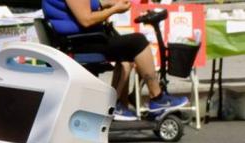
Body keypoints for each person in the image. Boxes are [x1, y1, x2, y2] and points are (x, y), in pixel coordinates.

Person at [42, 0, 188, 121]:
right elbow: (86, 19)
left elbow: (90, 5)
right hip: (81, 43)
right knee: (138, 41)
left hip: (83, 39)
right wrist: (114, 10)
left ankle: (117, 104)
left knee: (127, 55)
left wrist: (110, 3)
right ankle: (157, 98)